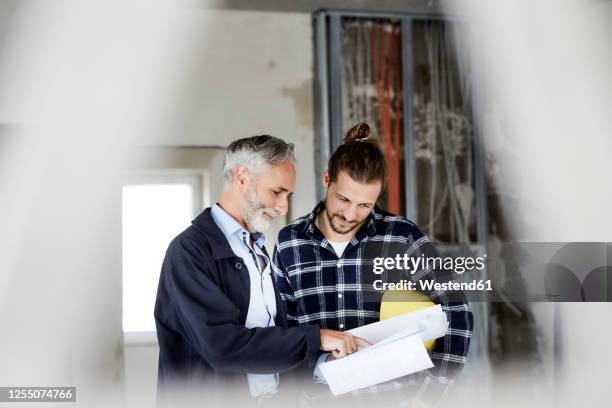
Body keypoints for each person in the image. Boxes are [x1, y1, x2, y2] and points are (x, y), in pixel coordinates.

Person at [154, 135, 369, 403]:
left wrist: (326, 364)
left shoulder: (257, 251)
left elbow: (268, 348)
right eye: (276, 192)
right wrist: (316, 338)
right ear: (242, 178)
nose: (283, 207)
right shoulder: (189, 251)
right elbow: (222, 347)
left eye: (287, 195)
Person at [272, 123, 474, 406]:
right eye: (343, 199)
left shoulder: (402, 238)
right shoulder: (289, 243)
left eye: (365, 205)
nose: (350, 214)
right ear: (327, 178)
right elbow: (284, 332)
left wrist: (429, 395)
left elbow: (456, 309)